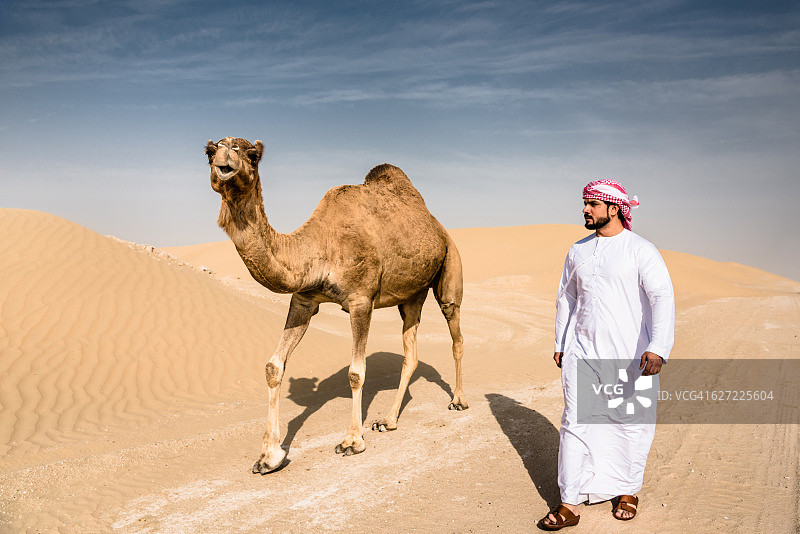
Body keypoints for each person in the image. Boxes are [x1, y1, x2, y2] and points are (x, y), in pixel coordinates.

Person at [539, 179, 675, 530]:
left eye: (592, 204)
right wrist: (560, 342)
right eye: (585, 204)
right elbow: (566, 298)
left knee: (631, 423)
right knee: (575, 422)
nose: (585, 209)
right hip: (581, 351)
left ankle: (628, 490)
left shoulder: (640, 249)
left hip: (630, 354)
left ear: (613, 208)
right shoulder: (578, 250)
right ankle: (570, 501)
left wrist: (658, 347)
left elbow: (662, 297)